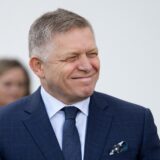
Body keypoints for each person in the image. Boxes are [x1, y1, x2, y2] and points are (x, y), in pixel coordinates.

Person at [0, 8, 159, 160]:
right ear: (38, 66)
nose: (87, 66)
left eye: (92, 54)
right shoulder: (5, 125)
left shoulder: (136, 121)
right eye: (72, 57)